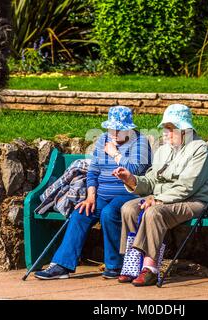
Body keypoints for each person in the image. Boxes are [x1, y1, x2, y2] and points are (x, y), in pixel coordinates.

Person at [35, 106, 152, 280]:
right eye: (111, 128)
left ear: (128, 128)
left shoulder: (140, 141)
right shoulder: (103, 139)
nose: (113, 132)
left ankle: (115, 265)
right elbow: (93, 171)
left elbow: (136, 169)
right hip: (101, 194)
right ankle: (61, 265)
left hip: (129, 193)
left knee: (109, 213)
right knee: (81, 213)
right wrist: (90, 196)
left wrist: (115, 154)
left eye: (118, 129)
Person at [113, 104, 208, 286]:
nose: (166, 133)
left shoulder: (200, 149)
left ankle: (150, 268)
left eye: (170, 129)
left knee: (154, 212)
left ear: (185, 129)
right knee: (129, 208)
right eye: (165, 129)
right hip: (164, 199)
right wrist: (131, 180)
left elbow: (188, 186)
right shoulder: (163, 150)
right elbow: (152, 180)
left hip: (195, 201)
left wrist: (158, 199)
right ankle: (132, 264)